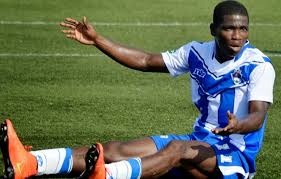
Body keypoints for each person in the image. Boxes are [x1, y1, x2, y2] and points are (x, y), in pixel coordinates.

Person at [0, 0, 275, 178]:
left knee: (177, 149)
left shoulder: (259, 66)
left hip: (233, 158)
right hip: (199, 140)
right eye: (229, 28)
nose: (237, 35)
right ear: (214, 29)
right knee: (114, 150)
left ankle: (107, 176)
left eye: (243, 29)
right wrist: (98, 40)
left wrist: (238, 125)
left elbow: (258, 116)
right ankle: (32, 163)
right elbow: (145, 60)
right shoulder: (196, 52)